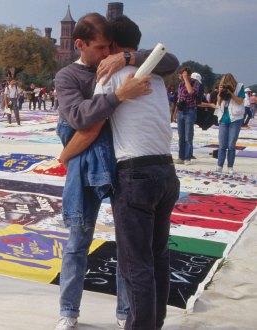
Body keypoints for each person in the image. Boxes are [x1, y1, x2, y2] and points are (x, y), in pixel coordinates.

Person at [54, 12, 179, 330]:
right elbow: (82, 120)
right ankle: (72, 311)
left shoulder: (116, 72)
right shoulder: (71, 76)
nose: (105, 54)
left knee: (134, 259)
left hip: (130, 171)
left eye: (110, 47)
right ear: (80, 45)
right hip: (122, 167)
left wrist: (127, 59)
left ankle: (132, 319)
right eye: (101, 47)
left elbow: (89, 126)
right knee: (84, 241)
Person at [214, 74, 246, 175]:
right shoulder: (222, 90)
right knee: (222, 145)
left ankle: (230, 167)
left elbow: (240, 101)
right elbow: (219, 103)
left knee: (231, 145)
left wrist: (231, 93)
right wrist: (220, 93)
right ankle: (219, 166)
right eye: (223, 84)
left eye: (226, 84)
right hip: (223, 118)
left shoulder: (239, 87)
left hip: (235, 119)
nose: (225, 86)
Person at [175, 67, 200, 165]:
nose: (181, 77)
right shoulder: (180, 84)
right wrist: (175, 112)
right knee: (181, 136)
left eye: (184, 75)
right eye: (181, 75)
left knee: (188, 136)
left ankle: (187, 157)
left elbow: (191, 92)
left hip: (190, 111)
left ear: (189, 75)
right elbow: (179, 98)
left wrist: (186, 79)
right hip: (180, 111)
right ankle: (181, 157)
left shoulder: (195, 83)